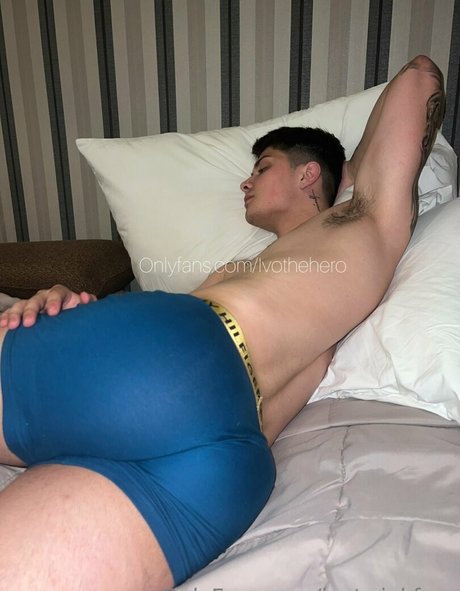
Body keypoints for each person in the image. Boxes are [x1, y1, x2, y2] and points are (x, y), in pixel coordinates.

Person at [0, 55, 445, 591]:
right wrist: (70, 306)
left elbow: (419, 75)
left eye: (262, 168)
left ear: (309, 174)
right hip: (233, 459)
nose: (245, 183)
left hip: (178, 360)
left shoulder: (363, 214)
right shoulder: (262, 266)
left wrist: (346, 171)